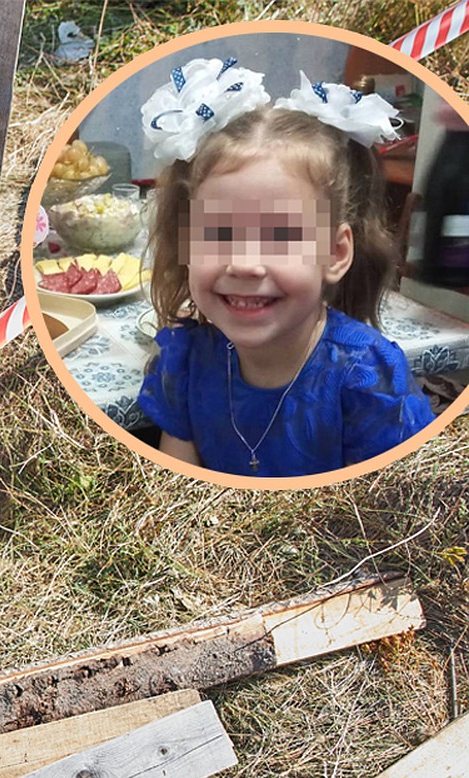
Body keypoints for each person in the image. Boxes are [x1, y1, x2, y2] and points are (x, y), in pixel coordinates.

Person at [136, 58, 436, 477]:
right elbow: (173, 499)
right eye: (219, 234)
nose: (243, 263)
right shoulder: (184, 362)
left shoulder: (367, 380)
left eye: (279, 236)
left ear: (334, 253)